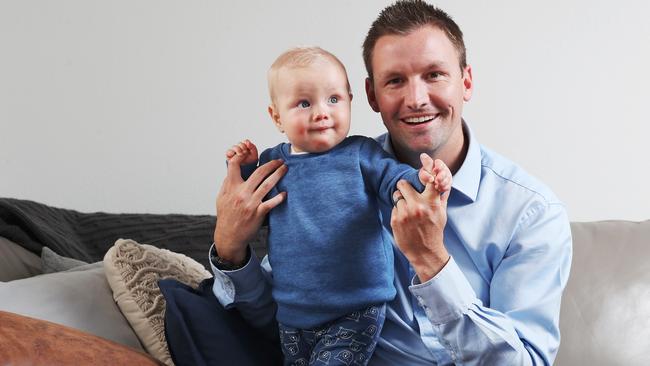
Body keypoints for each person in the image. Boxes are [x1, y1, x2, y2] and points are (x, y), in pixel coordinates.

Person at [162, 1, 572, 365]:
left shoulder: (531, 213)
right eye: (395, 81)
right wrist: (232, 248)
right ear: (371, 96)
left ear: (465, 81)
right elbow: (281, 314)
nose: (415, 98)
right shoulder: (329, 174)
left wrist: (431, 260)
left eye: (434, 74)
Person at [224, 46, 452, 366]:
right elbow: (249, 204)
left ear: (349, 101)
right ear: (277, 117)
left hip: (356, 307)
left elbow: (395, 181)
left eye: (334, 100)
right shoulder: (273, 162)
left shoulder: (360, 153)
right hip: (292, 312)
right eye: (304, 103)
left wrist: (426, 179)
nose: (321, 112)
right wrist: (245, 167)